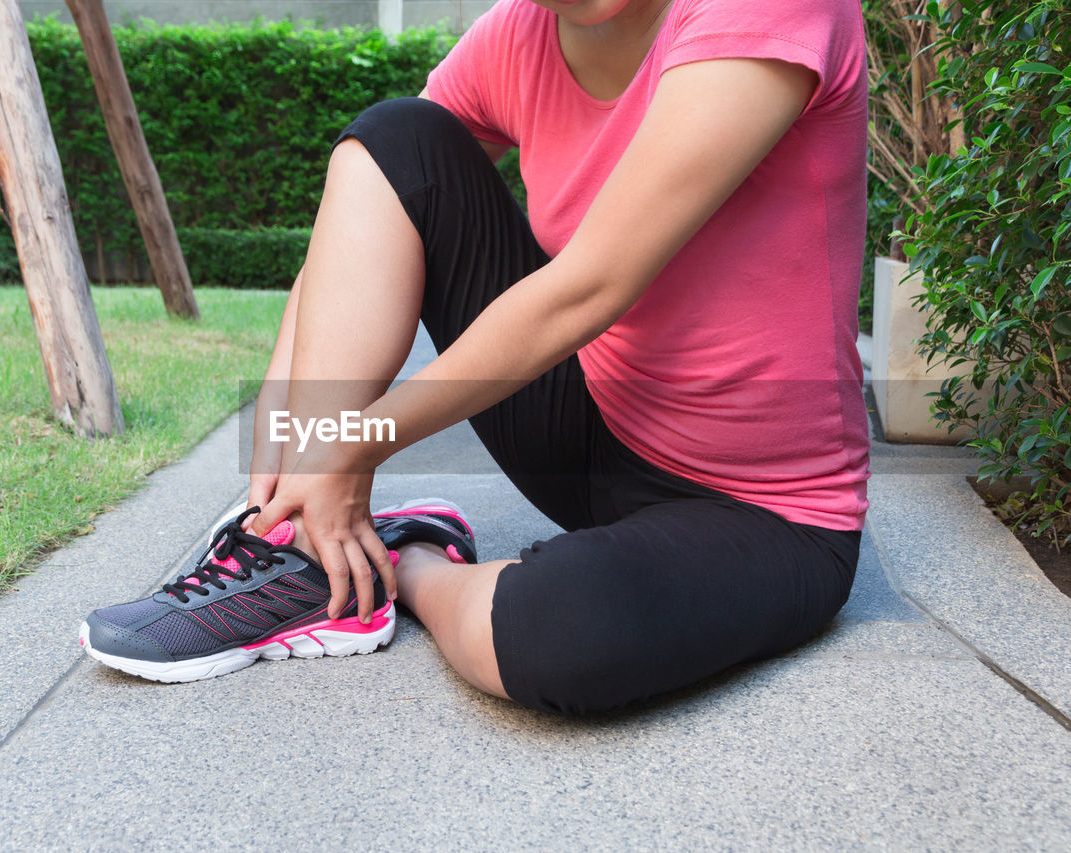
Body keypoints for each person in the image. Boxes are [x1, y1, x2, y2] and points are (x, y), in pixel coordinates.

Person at [81, 0, 870, 714]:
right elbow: (364, 211)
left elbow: (594, 285)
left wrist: (360, 438)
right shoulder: (517, 35)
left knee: (563, 628)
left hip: (769, 514)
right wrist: (291, 445)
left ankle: (401, 561)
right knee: (393, 137)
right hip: (589, 432)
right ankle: (304, 549)